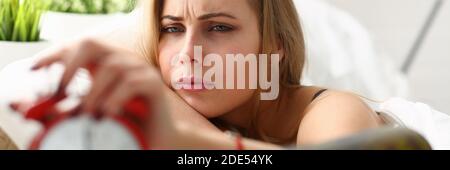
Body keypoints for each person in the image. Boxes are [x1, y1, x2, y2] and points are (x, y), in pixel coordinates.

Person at [31, 0, 384, 150]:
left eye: (218, 27)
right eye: (171, 29)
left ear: (276, 45)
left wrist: (183, 137)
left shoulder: (335, 110)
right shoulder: (202, 110)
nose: (188, 54)